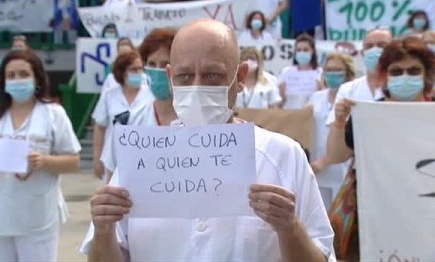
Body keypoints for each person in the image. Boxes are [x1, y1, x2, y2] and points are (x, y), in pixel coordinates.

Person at [87, 19, 335, 261]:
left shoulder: (283, 156)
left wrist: (289, 229)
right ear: (171, 79)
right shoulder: (141, 161)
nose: (197, 87)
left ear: (239, 78)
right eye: (185, 76)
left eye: (212, 75)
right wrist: (104, 230)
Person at [0, 49, 81, 261]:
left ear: (36, 78)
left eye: (23, 74)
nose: (17, 80)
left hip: (37, 216)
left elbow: (73, 162)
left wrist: (45, 161)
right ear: (3, 81)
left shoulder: (53, 114)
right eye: (11, 76)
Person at [326, 37, 435, 261]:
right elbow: (335, 156)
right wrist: (339, 121)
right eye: (396, 72)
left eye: (414, 70)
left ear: (426, 76)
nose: (405, 76)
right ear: (385, 76)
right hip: (375, 221)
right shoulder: (368, 117)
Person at [80, 28, 179, 254]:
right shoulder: (129, 124)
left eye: (166, 63)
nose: (158, 71)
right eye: (151, 63)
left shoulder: (199, 124)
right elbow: (112, 176)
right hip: (138, 229)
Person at [92, 51, 154, 182]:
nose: (138, 72)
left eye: (140, 68)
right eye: (133, 69)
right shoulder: (109, 95)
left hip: (144, 157)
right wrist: (97, 158)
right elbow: (100, 128)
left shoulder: (150, 94)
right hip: (114, 157)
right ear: (122, 72)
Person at [307, 53, 355, 211]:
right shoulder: (316, 97)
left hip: (339, 166)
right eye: (329, 70)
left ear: (347, 72)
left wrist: (325, 161)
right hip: (316, 168)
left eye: (337, 70)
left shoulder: (351, 97)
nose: (332, 73)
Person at [326, 28, 393, 125]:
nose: (374, 50)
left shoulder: (401, 87)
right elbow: (336, 129)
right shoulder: (348, 90)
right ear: (362, 53)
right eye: (369, 46)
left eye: (381, 45)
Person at [278, 33, 322, 109]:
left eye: (305, 50)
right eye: (299, 50)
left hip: (311, 117)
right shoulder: (286, 72)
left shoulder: (320, 72)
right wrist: (281, 94)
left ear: (312, 51)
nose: (302, 52)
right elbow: (279, 102)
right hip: (290, 115)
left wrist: (321, 89)